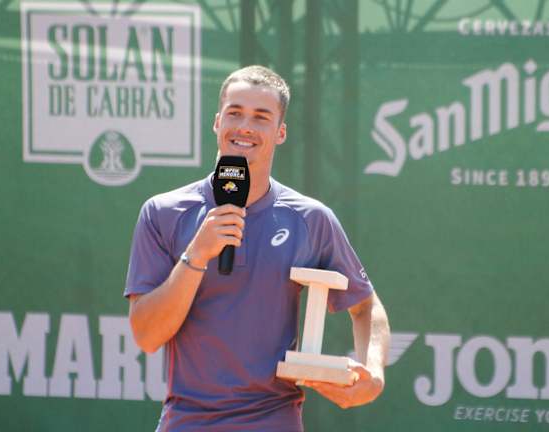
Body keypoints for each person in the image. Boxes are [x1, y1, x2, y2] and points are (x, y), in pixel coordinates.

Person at [125, 65, 390, 431]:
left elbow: (366, 306)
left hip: (275, 420)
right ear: (217, 122)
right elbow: (147, 335)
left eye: (261, 117)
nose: (245, 127)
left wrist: (373, 374)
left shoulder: (310, 218)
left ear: (280, 132)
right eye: (235, 113)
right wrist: (196, 255)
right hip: (187, 421)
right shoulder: (163, 213)